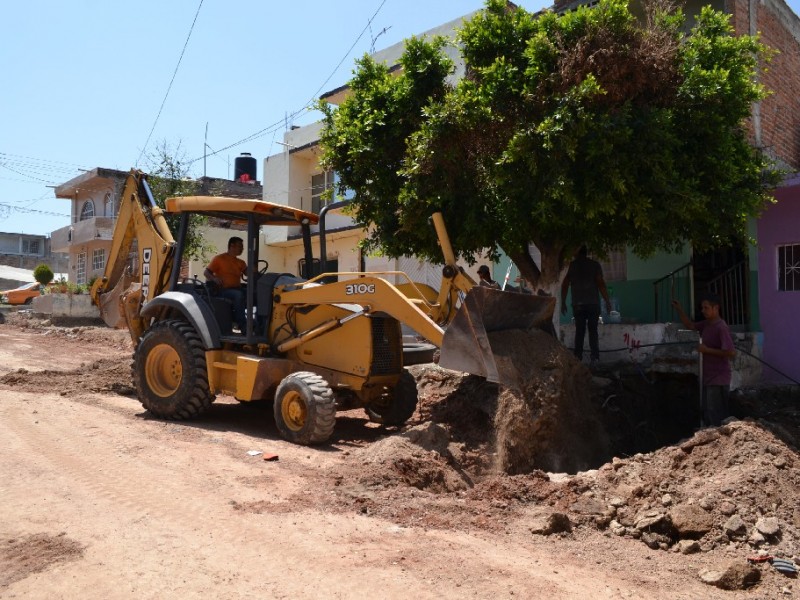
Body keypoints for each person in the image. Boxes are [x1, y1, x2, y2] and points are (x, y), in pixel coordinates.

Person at [671, 294, 735, 426]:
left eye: (706, 308)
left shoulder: (721, 327)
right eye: (702, 308)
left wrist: (707, 350)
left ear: (715, 308)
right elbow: (690, 325)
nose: (703, 311)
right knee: (708, 413)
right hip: (708, 378)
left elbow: (730, 352)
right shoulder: (707, 324)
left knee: (716, 416)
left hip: (718, 378)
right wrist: (679, 309)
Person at [560, 245, 611, 363]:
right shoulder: (594, 265)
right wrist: (607, 301)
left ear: (576, 252)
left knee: (580, 331)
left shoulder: (571, 266)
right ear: (586, 253)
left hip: (578, 305)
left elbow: (565, 285)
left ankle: (578, 358)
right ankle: (595, 358)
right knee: (593, 331)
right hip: (593, 304)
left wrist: (563, 301)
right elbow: (601, 284)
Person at [204, 236, 247, 332]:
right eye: (240, 246)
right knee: (238, 295)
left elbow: (248, 273)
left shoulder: (241, 262)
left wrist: (254, 271)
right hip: (223, 290)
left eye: (242, 247)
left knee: (255, 294)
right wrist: (214, 278)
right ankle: (242, 325)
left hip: (237, 288)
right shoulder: (219, 259)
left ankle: (258, 323)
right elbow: (206, 272)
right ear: (232, 246)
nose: (242, 249)